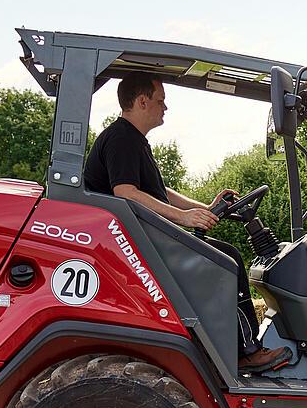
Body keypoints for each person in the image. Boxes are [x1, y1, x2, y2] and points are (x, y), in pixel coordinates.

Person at [84, 72, 289, 373]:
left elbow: (159, 192)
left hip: (143, 238)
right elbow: (125, 192)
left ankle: (234, 346)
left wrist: (203, 208)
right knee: (227, 260)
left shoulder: (132, 140)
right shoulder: (122, 139)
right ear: (142, 102)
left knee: (224, 255)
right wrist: (182, 218)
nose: (165, 108)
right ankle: (246, 352)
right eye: (160, 101)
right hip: (135, 245)